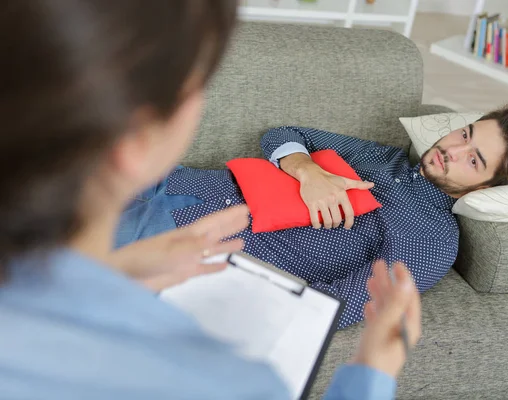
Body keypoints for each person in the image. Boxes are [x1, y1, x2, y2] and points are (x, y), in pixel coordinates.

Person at [0, 1, 422, 399]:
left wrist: (115, 273)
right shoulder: (225, 382)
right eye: (197, 85)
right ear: (134, 142)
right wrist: (372, 369)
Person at [116, 102, 508, 328]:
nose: (451, 150)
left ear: (485, 187)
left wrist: (235, 299)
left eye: (473, 160)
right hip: (168, 180)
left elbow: (349, 301)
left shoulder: (434, 238)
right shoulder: (382, 157)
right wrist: (307, 171)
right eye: (464, 134)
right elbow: (285, 134)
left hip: (183, 239)